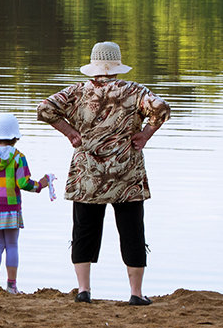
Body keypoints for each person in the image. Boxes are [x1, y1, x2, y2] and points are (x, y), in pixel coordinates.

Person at [37, 41, 170, 306]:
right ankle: (135, 293)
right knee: (132, 231)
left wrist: (70, 133)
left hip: (88, 173)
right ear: (117, 68)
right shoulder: (135, 92)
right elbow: (161, 108)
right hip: (127, 174)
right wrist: (145, 135)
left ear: (93, 67)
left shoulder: (78, 92)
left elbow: (44, 109)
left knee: (84, 230)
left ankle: (84, 290)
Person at [0, 113, 51, 295]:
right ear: (15, 137)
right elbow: (23, 183)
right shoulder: (18, 157)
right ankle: (11, 286)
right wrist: (41, 184)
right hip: (10, 209)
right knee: (12, 245)